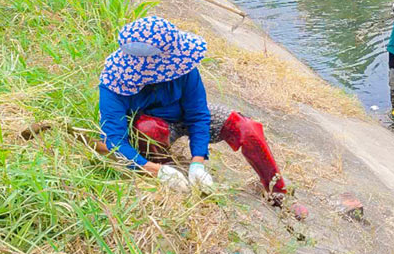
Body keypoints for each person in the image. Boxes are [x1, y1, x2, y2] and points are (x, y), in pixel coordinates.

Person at [97, 16, 292, 198]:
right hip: (155, 127)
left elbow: (198, 114)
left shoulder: (182, 66)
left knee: (245, 127)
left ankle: (278, 192)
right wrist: (156, 170)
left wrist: (198, 161)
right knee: (148, 129)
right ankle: (169, 173)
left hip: (183, 117)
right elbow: (114, 140)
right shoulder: (115, 84)